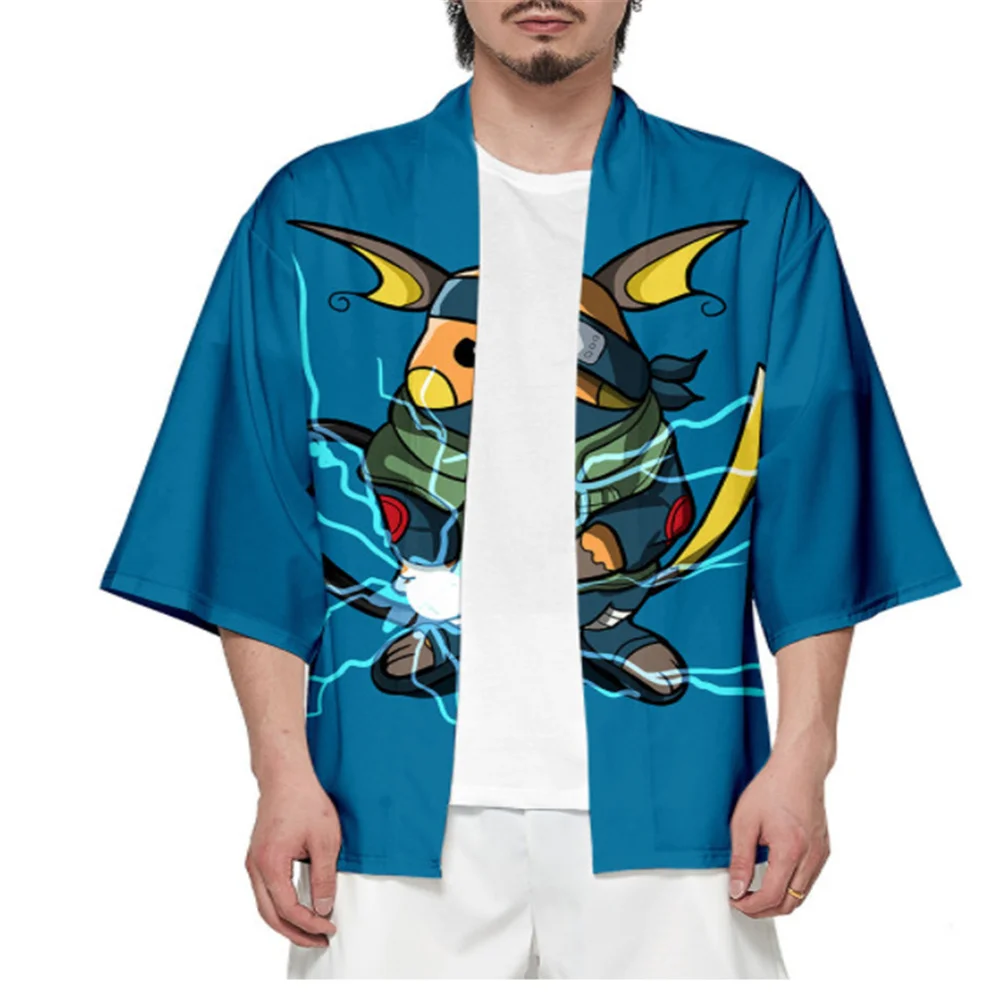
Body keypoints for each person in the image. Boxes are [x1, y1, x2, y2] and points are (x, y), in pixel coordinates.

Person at [100, 0, 960, 980]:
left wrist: (804, 758)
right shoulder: (314, 210)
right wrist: (280, 769)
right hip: (382, 797)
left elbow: (820, 500)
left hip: (681, 797)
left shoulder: (757, 211)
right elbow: (252, 507)